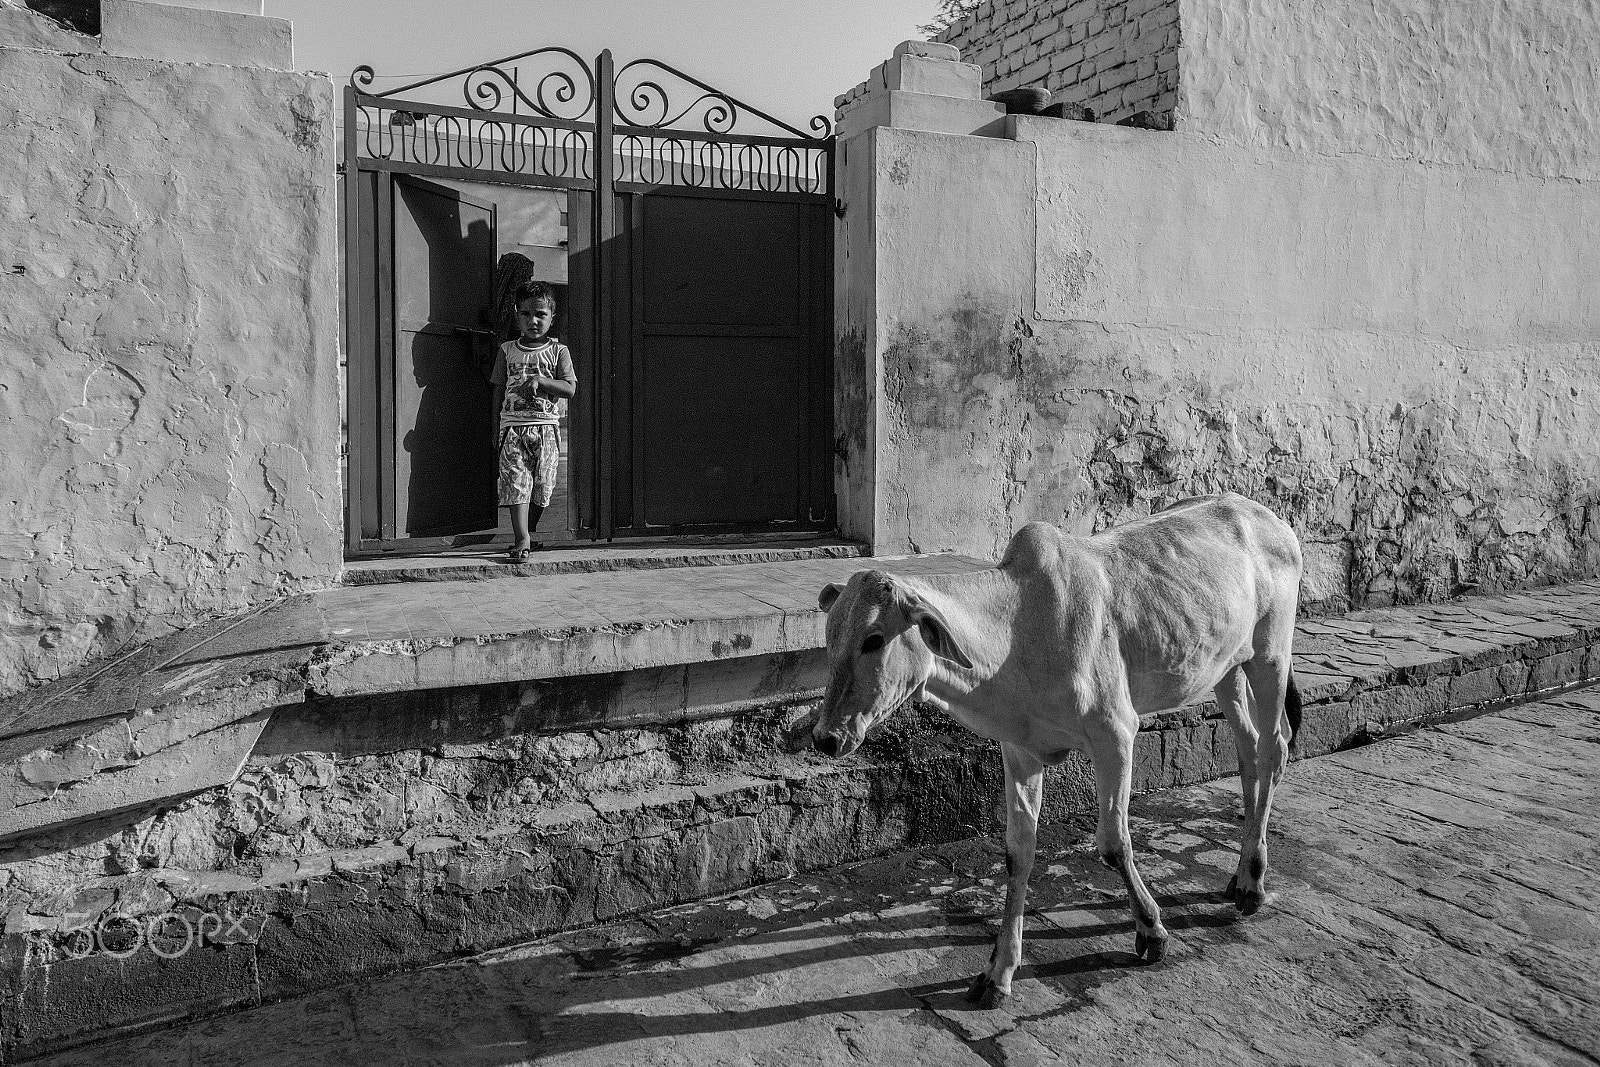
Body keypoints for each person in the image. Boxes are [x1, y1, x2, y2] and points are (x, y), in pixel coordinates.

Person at [490, 281, 575, 561]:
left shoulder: (558, 351)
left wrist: (541, 380)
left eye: (540, 314)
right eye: (526, 314)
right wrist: (495, 427)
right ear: (517, 314)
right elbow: (497, 389)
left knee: (544, 485)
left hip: (546, 428)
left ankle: (530, 530)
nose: (533, 321)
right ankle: (522, 538)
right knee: (516, 482)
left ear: (552, 317)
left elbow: (570, 388)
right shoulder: (506, 350)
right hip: (512, 427)